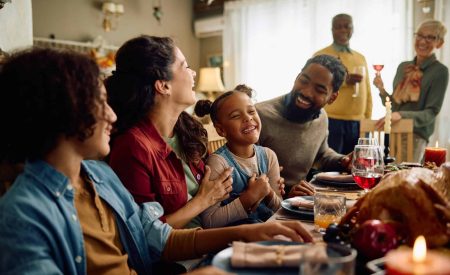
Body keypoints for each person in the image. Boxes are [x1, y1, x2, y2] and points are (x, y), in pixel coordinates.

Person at [0, 48, 313, 274]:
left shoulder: (97, 176)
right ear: (62, 112)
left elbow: (155, 239)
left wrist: (244, 234)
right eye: (99, 103)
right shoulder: (22, 216)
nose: (111, 114)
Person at [107, 36, 236, 229]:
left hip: (213, 235)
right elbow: (146, 234)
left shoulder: (189, 129)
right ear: (163, 85)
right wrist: (203, 201)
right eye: (185, 66)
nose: (193, 73)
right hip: (183, 256)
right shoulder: (132, 147)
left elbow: (217, 190)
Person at [256, 54, 351, 198]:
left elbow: (322, 155)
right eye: (304, 80)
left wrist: (343, 161)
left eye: (319, 90)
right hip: (269, 208)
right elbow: (245, 179)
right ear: (297, 77)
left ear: (332, 97)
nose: (306, 92)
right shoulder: (259, 116)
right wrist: (286, 196)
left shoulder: (321, 117)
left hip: (300, 201)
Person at [194, 84, 282, 228]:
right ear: (221, 130)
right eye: (236, 116)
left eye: (251, 111)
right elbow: (209, 221)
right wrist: (249, 198)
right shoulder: (218, 163)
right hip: (232, 243)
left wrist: (269, 193)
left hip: (269, 235)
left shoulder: (269, 156)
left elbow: (280, 211)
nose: (248, 118)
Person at [373, 19, 449, 163]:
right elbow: (393, 107)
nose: (422, 41)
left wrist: (401, 115)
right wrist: (381, 89)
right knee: (387, 177)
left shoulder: (440, 72)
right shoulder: (403, 67)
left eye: (430, 37)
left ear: (440, 43)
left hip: (415, 136)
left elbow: (431, 113)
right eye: (419, 35)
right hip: (393, 132)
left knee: (402, 180)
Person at [313, 13, 372, 155]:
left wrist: (367, 120)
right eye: (338, 27)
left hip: (359, 122)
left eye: (347, 26)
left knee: (357, 166)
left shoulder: (360, 57)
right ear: (332, 30)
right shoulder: (321, 55)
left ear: (353, 29)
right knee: (332, 166)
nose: (343, 30)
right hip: (331, 120)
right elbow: (315, 85)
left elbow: (368, 90)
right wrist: (344, 81)